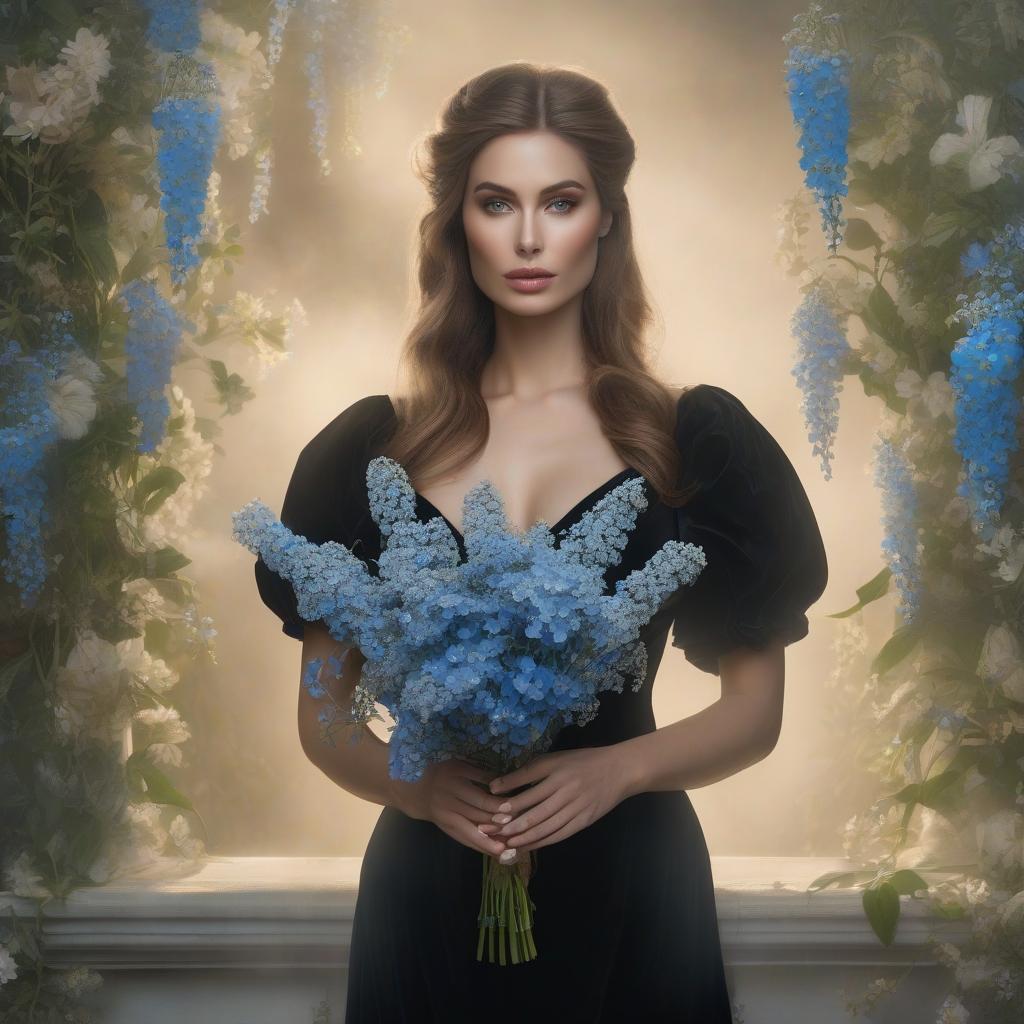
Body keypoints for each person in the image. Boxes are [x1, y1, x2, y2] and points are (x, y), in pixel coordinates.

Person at [254, 62, 828, 1024]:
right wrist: (426, 793)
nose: (528, 237)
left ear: (606, 217)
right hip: (431, 878)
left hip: (631, 882)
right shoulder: (372, 450)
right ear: (456, 223)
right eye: (495, 203)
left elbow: (755, 713)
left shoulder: (695, 440)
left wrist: (619, 770)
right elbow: (326, 718)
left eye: (560, 202)